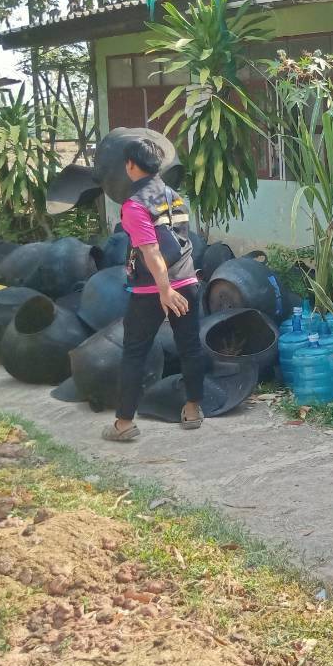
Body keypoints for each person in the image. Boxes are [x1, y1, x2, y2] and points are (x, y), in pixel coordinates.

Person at [102, 137, 206, 441]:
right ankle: (192, 409)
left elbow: (151, 252)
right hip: (187, 281)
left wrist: (164, 291)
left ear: (131, 165)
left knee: (134, 353)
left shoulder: (134, 206)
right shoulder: (175, 197)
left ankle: (123, 424)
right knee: (190, 346)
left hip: (153, 290)